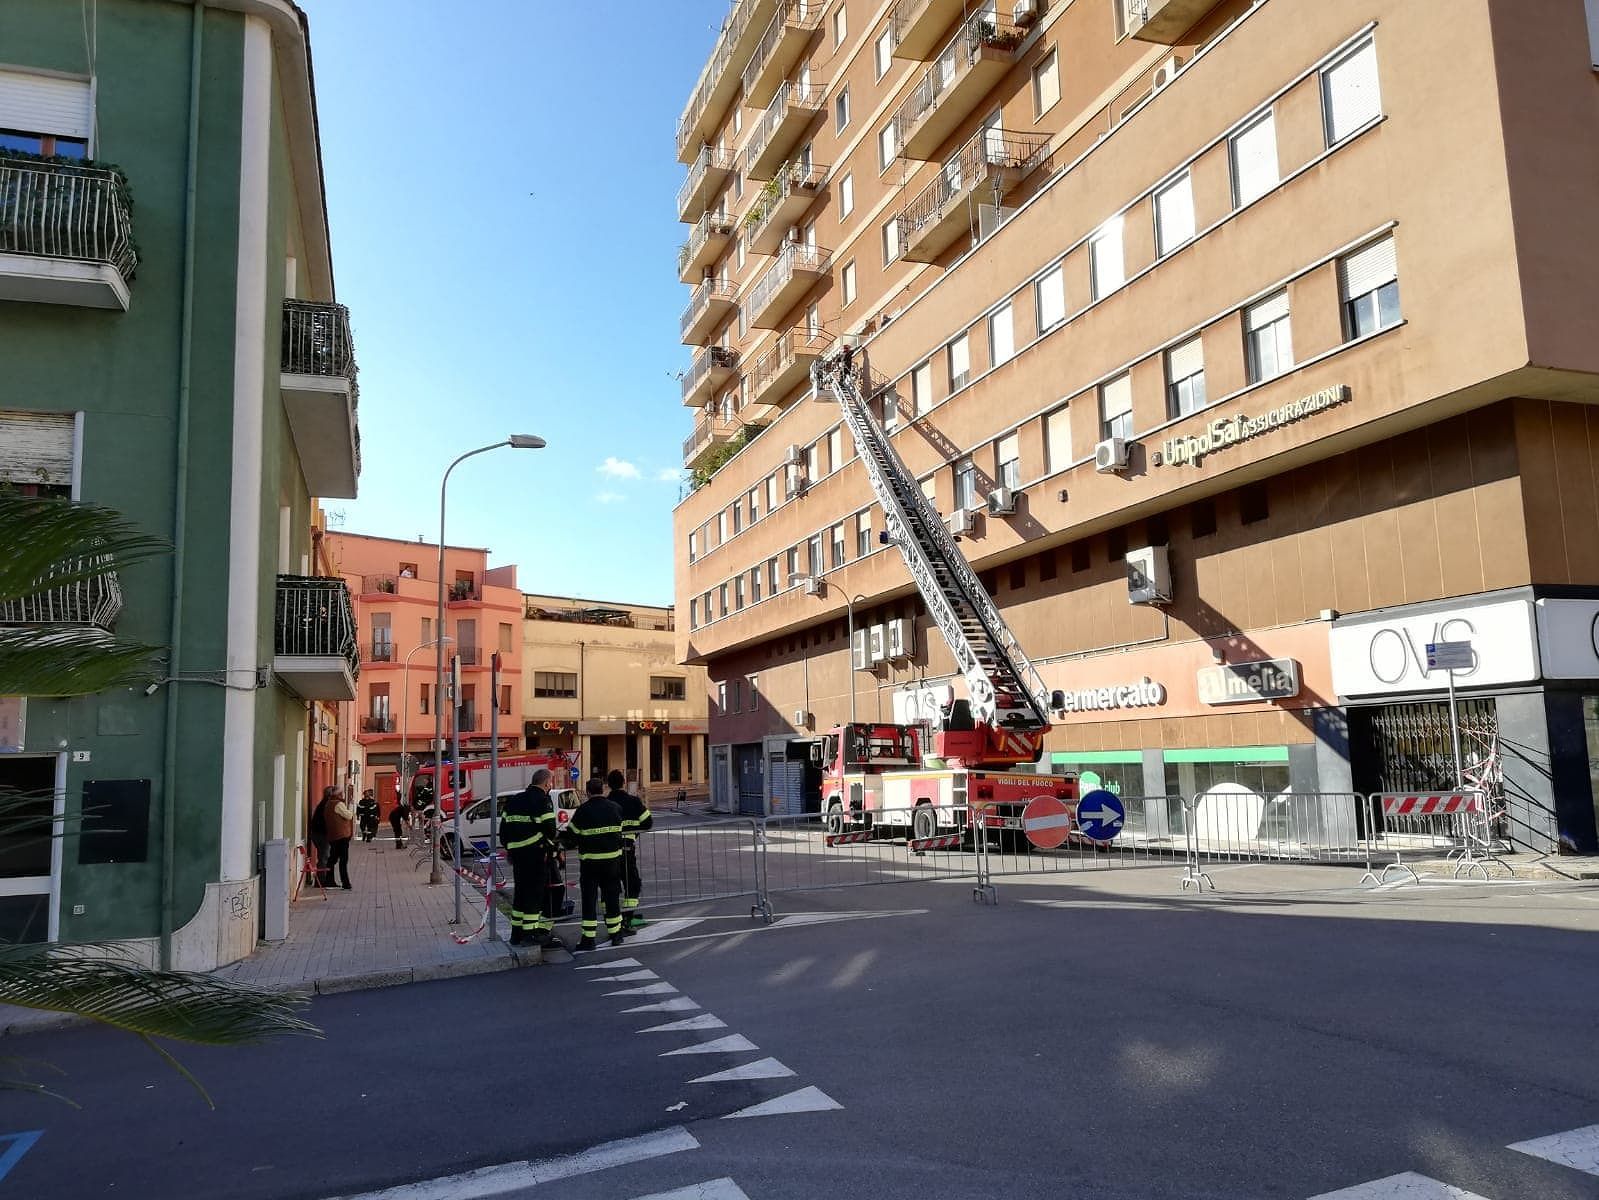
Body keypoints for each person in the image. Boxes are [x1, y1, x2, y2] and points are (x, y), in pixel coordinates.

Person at [561, 777, 628, 951]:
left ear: (588, 792)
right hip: (613, 861)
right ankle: (616, 934)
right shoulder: (615, 808)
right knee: (612, 898)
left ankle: (589, 939)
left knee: (589, 900)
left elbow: (571, 837)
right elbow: (623, 829)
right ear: (603, 790)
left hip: (590, 863)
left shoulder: (583, 810)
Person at [499, 768, 561, 949]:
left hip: (517, 856)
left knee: (520, 894)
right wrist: (550, 845)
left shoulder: (514, 800)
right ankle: (531, 933)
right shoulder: (543, 800)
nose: (551, 786)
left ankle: (516, 934)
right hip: (535, 854)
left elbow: (503, 830)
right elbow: (550, 828)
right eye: (551, 783)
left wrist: (511, 847)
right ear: (547, 783)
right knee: (534, 894)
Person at [607, 770, 652, 930]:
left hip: (608, 852)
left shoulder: (606, 803)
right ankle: (628, 917)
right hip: (627, 849)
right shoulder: (633, 801)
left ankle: (612, 918)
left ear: (608, 784)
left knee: (611, 886)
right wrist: (633, 830)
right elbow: (648, 822)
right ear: (624, 782)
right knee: (632, 884)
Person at [322, 785, 355, 890]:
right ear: (339, 794)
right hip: (341, 836)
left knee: (332, 859)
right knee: (343, 860)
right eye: (341, 793)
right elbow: (349, 815)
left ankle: (329, 880)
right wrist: (351, 809)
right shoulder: (338, 804)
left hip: (333, 835)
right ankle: (345, 883)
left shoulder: (328, 804)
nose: (343, 794)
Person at [308, 788, 332, 888]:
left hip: (317, 834)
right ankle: (320, 882)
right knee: (324, 857)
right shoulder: (327, 804)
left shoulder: (324, 803)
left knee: (323, 857)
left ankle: (321, 881)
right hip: (321, 835)